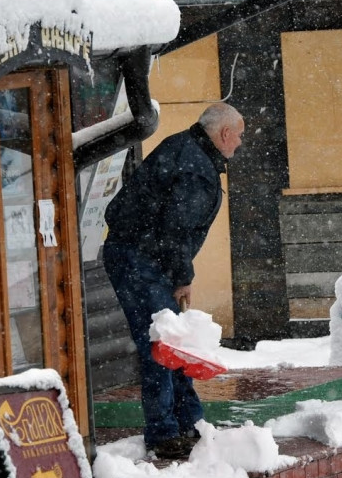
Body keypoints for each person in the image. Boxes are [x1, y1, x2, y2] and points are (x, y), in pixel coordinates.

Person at [103, 102, 244, 459]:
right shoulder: (196, 166)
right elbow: (175, 229)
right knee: (162, 344)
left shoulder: (187, 147)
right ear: (224, 133)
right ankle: (165, 433)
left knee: (171, 343)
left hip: (142, 255)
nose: (239, 144)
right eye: (238, 136)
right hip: (140, 259)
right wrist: (182, 277)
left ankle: (188, 422)